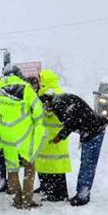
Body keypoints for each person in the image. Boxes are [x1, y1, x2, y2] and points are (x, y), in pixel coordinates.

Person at [0, 66, 46, 209]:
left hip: (7, 138)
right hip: (25, 136)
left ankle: (17, 200)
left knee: (12, 170)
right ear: (18, 75)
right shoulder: (27, 89)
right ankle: (27, 201)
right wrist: (38, 127)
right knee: (29, 169)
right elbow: (38, 111)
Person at [43, 92, 108, 206]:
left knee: (88, 165)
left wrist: (59, 137)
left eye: (45, 105)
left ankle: (83, 196)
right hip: (90, 131)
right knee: (85, 163)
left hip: (94, 131)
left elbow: (71, 122)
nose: (45, 109)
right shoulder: (61, 100)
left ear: (48, 101)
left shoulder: (60, 103)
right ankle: (81, 193)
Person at [34, 69, 71, 201]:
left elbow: (49, 112)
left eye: (41, 80)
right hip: (48, 135)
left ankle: (58, 193)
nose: (39, 83)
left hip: (55, 135)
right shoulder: (48, 92)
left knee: (55, 165)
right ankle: (46, 187)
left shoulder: (52, 93)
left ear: (46, 81)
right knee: (46, 163)